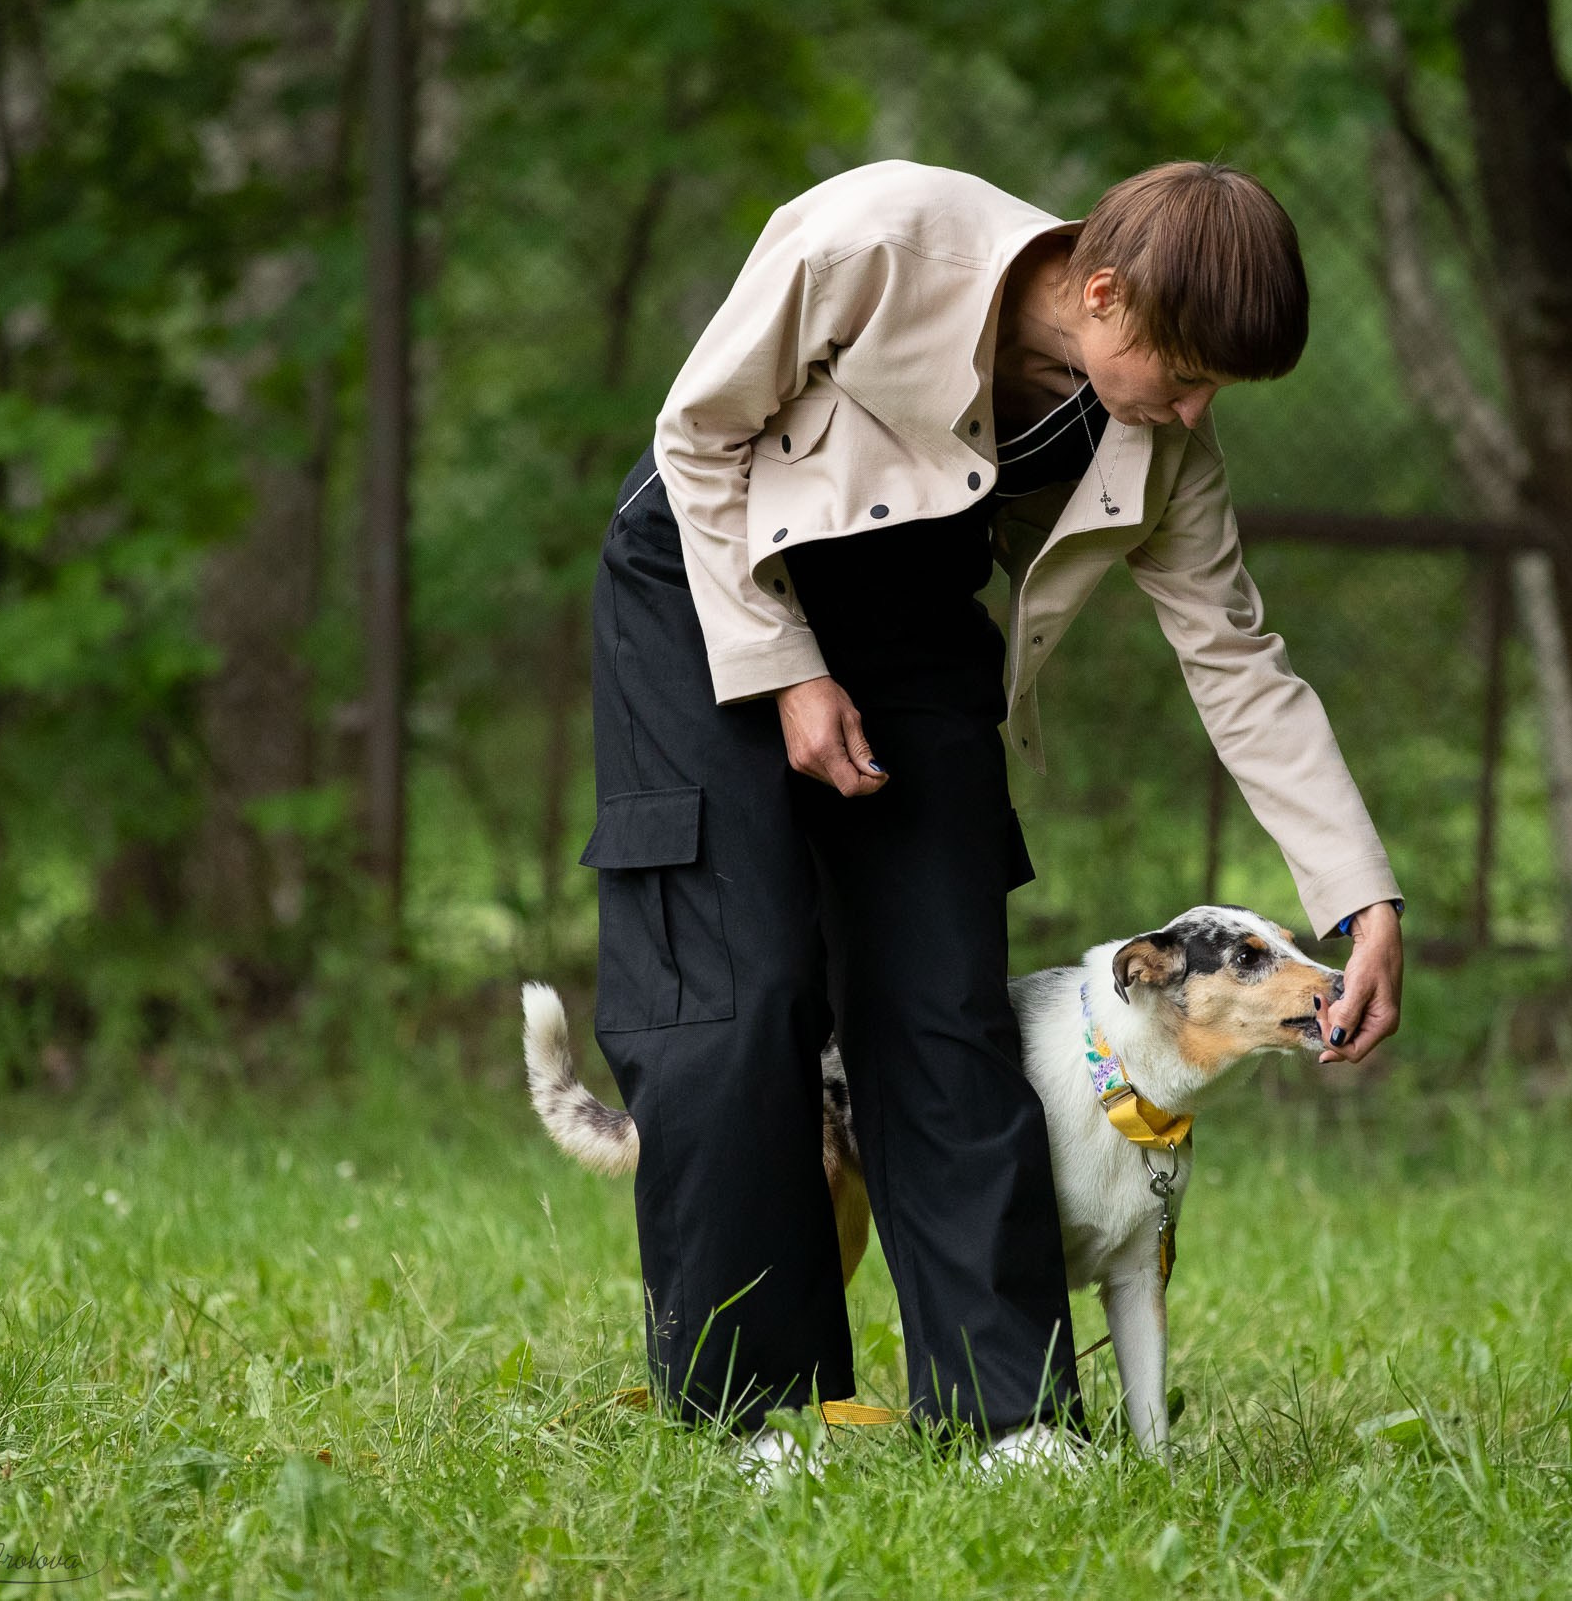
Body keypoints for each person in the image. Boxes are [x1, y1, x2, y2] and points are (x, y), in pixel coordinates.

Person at [583, 158, 1404, 1465]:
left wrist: (1360, 899)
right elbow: (696, 439)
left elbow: (1239, 664)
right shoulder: (878, 237)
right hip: (706, 587)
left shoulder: (1160, 438)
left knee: (944, 1005)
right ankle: (755, 1413)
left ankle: (1009, 1416)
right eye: (1186, 373)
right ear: (1101, 293)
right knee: (740, 995)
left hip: (912, 634)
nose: (1197, 411)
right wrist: (788, 666)